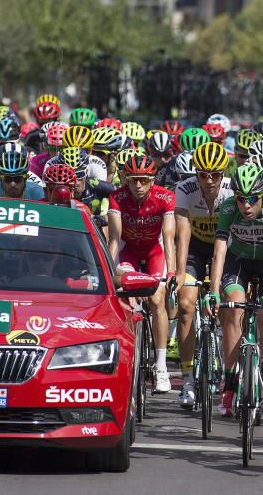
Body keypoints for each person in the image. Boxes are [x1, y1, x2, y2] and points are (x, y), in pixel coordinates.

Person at [208, 163, 263, 430]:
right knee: (233, 308)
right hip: (240, 262)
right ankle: (230, 382)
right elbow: (220, 252)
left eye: (253, 198)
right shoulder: (229, 209)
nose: (246, 205)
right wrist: (213, 291)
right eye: (241, 198)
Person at [107, 154, 177, 394]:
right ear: (125, 179)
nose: (138, 185)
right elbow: (114, 238)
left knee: (158, 298)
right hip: (129, 252)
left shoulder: (165, 197)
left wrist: (173, 272)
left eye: (144, 180)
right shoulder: (116, 197)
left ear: (153, 179)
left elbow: (169, 237)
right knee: (127, 296)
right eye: (133, 180)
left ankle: (160, 366)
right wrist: (106, 268)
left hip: (155, 251)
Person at [173, 142, 233, 409]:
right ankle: (187, 380)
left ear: (223, 174)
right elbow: (182, 235)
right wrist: (179, 271)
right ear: (196, 174)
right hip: (195, 248)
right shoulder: (185, 189)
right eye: (203, 174)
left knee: (229, 305)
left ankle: (228, 366)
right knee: (186, 304)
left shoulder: (232, 191)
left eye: (215, 175)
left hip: (226, 247)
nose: (209, 180)